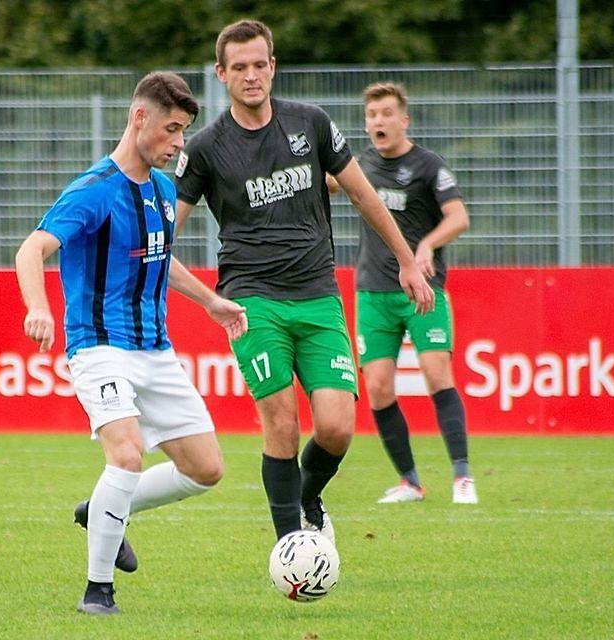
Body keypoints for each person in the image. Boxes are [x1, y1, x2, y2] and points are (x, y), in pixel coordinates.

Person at [173, 20, 435, 544]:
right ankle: (291, 548)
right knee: (283, 423)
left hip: (318, 296)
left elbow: (363, 194)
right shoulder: (204, 149)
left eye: (259, 64)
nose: (251, 75)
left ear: (273, 66)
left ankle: (308, 496)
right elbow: (163, 235)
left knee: (337, 427)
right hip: (252, 301)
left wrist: (407, 260)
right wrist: (200, 295)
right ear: (222, 74)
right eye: (239, 67)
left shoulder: (310, 124)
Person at [14, 71, 247, 616]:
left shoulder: (164, 191)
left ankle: (101, 510)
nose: (177, 144)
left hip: (155, 348)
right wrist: (38, 307)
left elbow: (160, 257)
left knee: (206, 469)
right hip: (99, 346)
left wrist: (209, 302)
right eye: (170, 130)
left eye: (184, 132)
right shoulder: (94, 190)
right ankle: (98, 592)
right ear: (139, 118)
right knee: (126, 453)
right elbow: (31, 251)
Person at [346, 82, 477, 505]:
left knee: (438, 374)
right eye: (372, 115)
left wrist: (427, 245)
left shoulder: (428, 166)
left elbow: (458, 217)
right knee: (379, 388)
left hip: (422, 290)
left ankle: (462, 477)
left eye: (386, 113)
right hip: (372, 292)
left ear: (405, 120)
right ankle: (410, 481)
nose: (378, 122)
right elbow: (326, 183)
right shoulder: (360, 165)